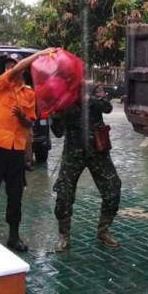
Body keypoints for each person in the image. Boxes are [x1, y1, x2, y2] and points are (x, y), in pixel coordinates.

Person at [0, 48, 55, 253]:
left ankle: (14, 235)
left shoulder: (29, 93)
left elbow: (29, 123)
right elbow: (18, 68)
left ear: (22, 70)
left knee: (15, 192)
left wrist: (21, 117)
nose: (9, 68)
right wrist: (40, 54)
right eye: (8, 66)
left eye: (13, 65)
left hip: (16, 148)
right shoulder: (1, 83)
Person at [52, 83, 121, 252]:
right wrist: (57, 114)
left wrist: (87, 99)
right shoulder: (63, 97)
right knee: (64, 194)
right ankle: (64, 235)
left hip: (97, 151)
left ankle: (103, 230)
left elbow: (107, 107)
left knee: (113, 188)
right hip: (73, 154)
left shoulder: (93, 89)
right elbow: (58, 132)